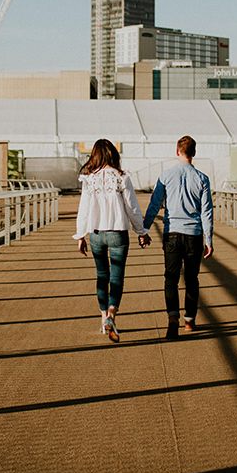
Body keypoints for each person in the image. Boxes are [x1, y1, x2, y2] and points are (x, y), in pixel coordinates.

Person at [74, 139, 150, 342]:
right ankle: (112, 314)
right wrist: (141, 231)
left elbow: (84, 209)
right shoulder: (121, 177)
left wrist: (80, 235)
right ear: (113, 154)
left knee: (101, 275)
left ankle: (102, 319)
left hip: (96, 232)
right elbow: (132, 207)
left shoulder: (89, 178)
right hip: (118, 232)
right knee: (116, 276)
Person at [143, 135, 214, 340]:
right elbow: (206, 212)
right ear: (194, 153)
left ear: (177, 151)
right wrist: (208, 240)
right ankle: (189, 320)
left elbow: (155, 204)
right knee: (192, 279)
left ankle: (172, 317)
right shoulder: (202, 178)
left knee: (170, 279)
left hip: (172, 232)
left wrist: (145, 228)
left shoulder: (166, 176)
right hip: (194, 234)